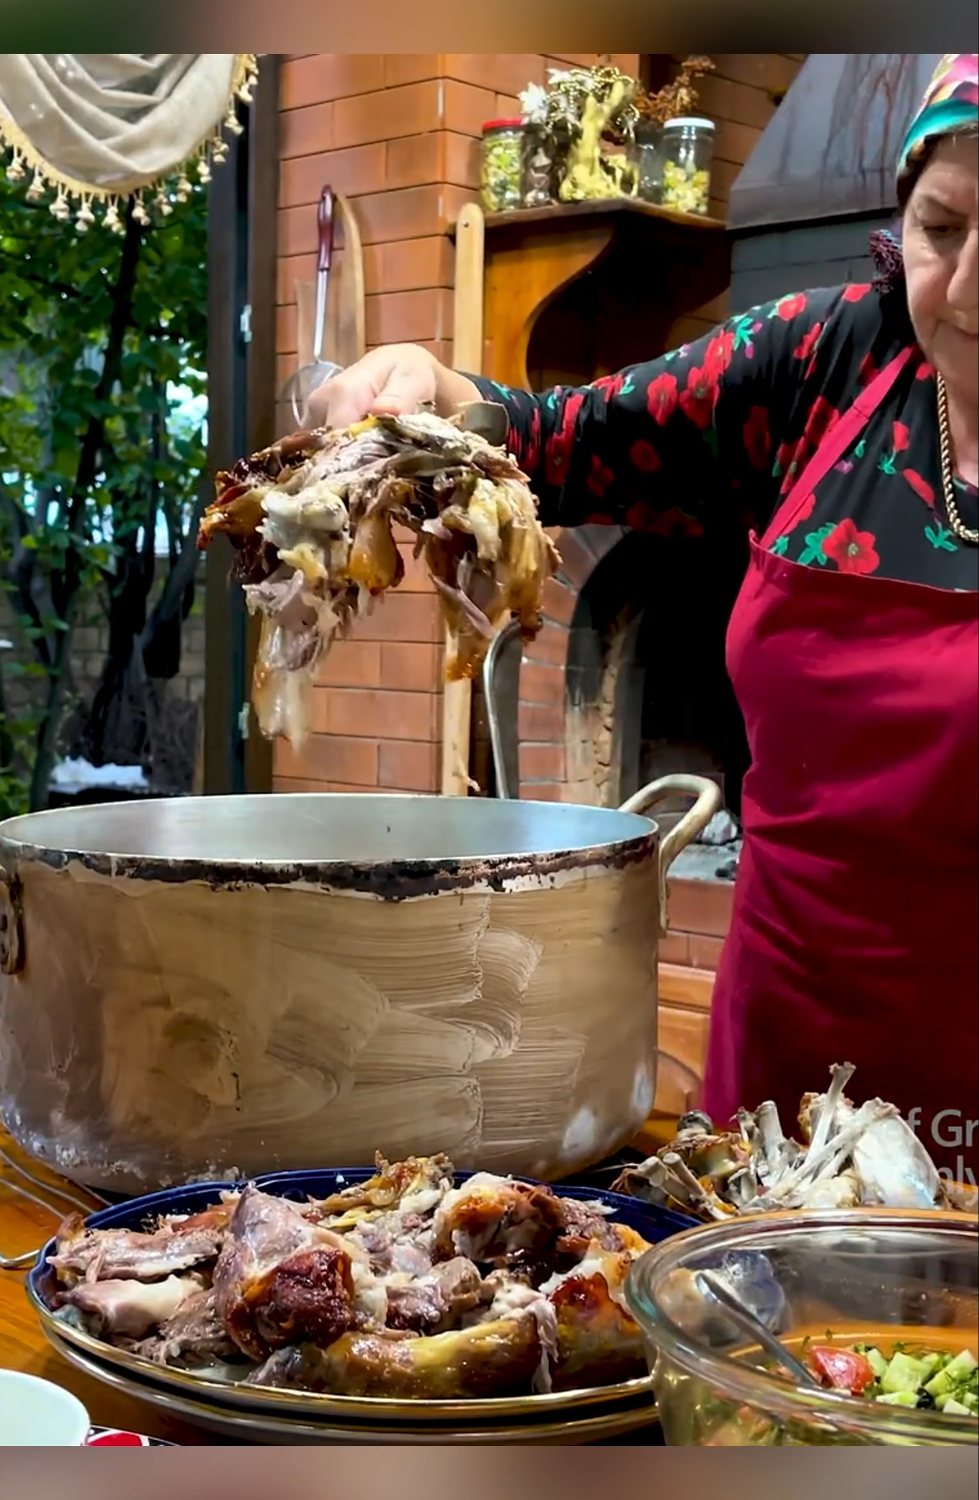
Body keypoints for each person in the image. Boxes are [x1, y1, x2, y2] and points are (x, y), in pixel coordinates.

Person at [308, 55, 979, 1179]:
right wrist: (424, 389)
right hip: (794, 1056)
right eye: (942, 226)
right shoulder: (826, 364)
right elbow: (547, 439)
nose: (964, 292)